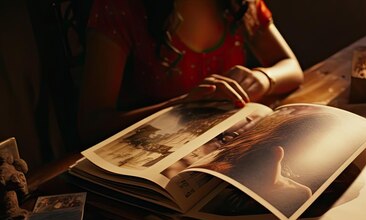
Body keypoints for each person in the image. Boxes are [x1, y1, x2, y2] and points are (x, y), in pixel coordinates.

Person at [78, 0, 303, 145]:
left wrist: (264, 79)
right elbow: (92, 125)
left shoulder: (238, 4)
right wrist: (180, 107)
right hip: (158, 156)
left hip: (230, 142)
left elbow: (290, 66)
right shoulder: (121, 9)